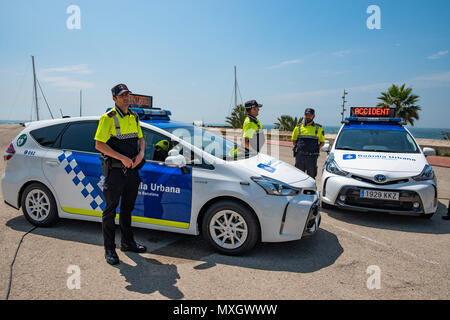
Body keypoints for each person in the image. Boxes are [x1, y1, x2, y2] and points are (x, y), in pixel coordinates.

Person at [94, 83, 147, 265]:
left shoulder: (134, 116)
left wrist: (141, 154)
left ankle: (127, 243)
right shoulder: (108, 118)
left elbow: (141, 139)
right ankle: (109, 249)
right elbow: (99, 145)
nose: (126, 97)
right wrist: (122, 158)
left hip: (132, 171)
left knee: (127, 210)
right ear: (115, 99)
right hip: (115, 171)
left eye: (127, 94)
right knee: (110, 211)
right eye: (122, 95)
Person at [291, 108, 325, 179]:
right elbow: (294, 141)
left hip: (312, 158)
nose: (308, 116)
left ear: (313, 116)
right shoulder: (298, 127)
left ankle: (310, 190)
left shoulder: (318, 128)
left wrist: (315, 149)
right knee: (298, 177)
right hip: (300, 157)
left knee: (311, 178)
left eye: (310, 115)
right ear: (304, 115)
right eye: (306, 114)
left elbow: (322, 142)